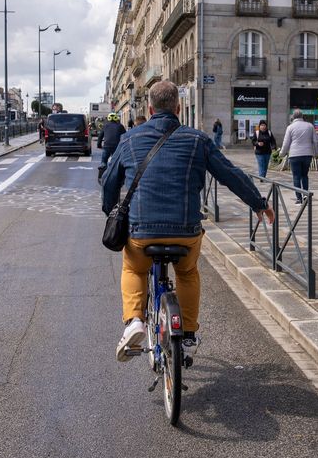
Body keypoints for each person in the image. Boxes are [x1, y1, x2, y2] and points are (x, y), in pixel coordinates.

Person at [102, 80, 275, 362]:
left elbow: (110, 183)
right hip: (185, 231)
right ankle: (189, 331)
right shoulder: (198, 139)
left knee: (133, 268)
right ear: (179, 108)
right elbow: (230, 174)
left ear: (149, 108)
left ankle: (134, 321)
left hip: (142, 232)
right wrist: (259, 204)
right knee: (186, 272)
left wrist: (110, 210)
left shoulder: (129, 139)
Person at [280, 109, 317, 203]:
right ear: (302, 116)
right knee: (305, 175)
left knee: (296, 176)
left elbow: (286, 143)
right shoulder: (310, 126)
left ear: (293, 117)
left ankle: (298, 198)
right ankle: (305, 195)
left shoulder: (290, 127)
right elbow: (315, 141)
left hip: (294, 155)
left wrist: (282, 153)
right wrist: (316, 153)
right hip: (307, 154)